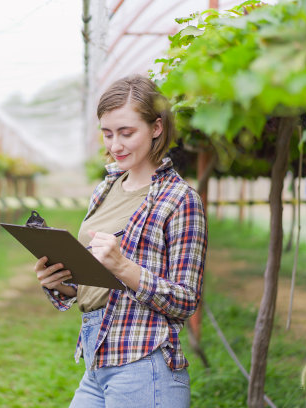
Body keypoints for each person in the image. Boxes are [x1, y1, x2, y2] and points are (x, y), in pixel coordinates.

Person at [33, 74, 208, 408]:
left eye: (127, 133)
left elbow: (186, 300)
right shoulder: (105, 189)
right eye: (108, 133)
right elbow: (99, 282)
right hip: (97, 359)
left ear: (157, 127)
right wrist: (62, 283)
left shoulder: (180, 199)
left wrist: (125, 268)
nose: (115, 145)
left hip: (145, 363)